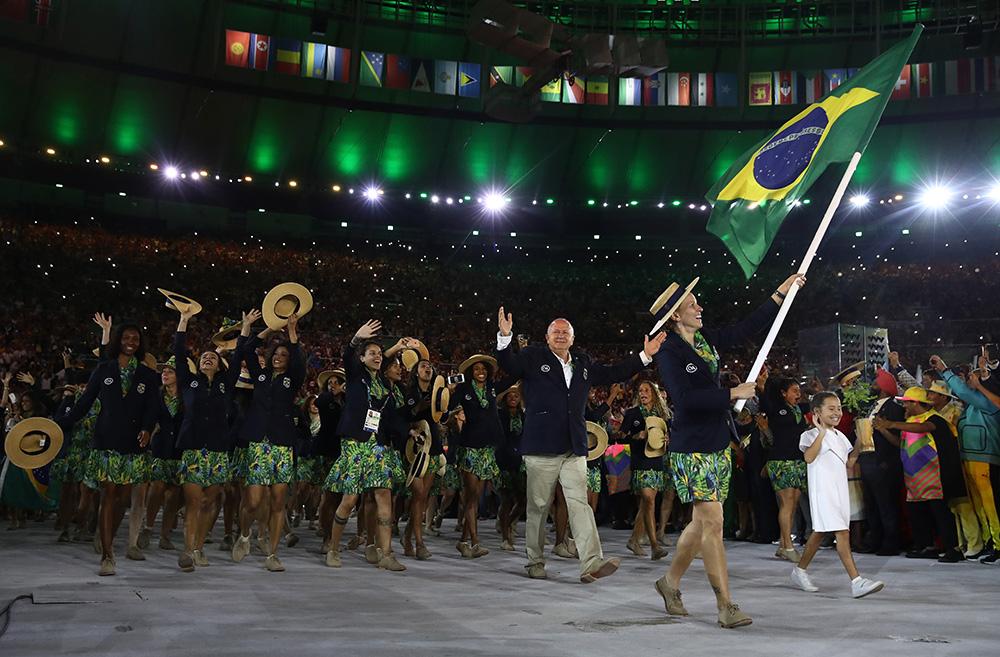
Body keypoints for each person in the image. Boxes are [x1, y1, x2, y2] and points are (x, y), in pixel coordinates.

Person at [652, 273, 804, 629]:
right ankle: (726, 604)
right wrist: (732, 394)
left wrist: (780, 292)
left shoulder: (705, 340)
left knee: (699, 524)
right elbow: (686, 400)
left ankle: (669, 582)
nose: (699, 307)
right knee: (714, 525)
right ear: (676, 315)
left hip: (718, 443)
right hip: (692, 449)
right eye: (693, 304)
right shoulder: (670, 353)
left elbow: (744, 328)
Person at [494, 307, 664, 583]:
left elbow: (613, 373)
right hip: (541, 446)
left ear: (572, 339)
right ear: (547, 338)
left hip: (574, 445)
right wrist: (504, 336)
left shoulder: (583, 363)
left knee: (580, 504)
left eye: (565, 332)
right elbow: (509, 365)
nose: (560, 335)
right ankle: (535, 559)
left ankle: (591, 562)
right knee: (538, 506)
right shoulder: (533, 357)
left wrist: (645, 356)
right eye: (556, 332)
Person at [60, 321, 160, 576]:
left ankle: (108, 541)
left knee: (123, 501)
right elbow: (84, 403)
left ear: (140, 344)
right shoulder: (103, 369)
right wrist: (60, 425)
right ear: (118, 341)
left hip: (133, 446)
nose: (130, 341)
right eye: (126, 337)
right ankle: (107, 555)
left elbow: (152, 408)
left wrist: (148, 428)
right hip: (105, 442)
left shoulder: (148, 375)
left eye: (135, 338)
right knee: (108, 496)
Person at [323, 320, 406, 572]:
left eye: (380, 355)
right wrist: (356, 339)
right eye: (372, 354)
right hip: (355, 445)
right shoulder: (355, 375)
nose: (378, 357)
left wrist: (409, 431)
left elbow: (390, 415)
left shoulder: (382, 384)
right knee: (349, 499)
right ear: (361, 358)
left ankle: (387, 554)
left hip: (379, 447)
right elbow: (349, 355)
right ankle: (333, 549)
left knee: (384, 497)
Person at [790, 392, 884, 598]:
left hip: (840, 491)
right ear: (817, 412)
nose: (837, 413)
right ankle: (857, 581)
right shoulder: (809, 435)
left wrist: (861, 438)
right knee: (842, 534)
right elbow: (808, 457)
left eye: (839, 408)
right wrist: (821, 432)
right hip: (823, 492)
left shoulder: (841, 437)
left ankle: (799, 570)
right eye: (831, 408)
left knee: (820, 532)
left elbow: (849, 462)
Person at [231, 312, 305, 572]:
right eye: (276, 354)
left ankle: (272, 554)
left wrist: (292, 331)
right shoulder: (259, 375)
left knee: (277, 502)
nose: (278, 358)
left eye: (284, 355)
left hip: (282, 445)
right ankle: (244, 535)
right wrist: (257, 328)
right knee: (252, 502)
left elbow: (299, 361)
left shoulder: (292, 379)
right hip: (258, 444)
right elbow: (246, 349)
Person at [173, 306, 242, 571]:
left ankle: (200, 547)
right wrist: (183, 320)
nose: (207, 359)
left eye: (212, 356)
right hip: (192, 448)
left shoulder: (227, 383)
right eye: (203, 357)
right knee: (193, 502)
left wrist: (244, 328)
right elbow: (179, 354)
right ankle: (188, 551)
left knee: (208, 502)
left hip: (217, 450)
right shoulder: (189, 381)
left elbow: (238, 359)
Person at [873, 386, 965, 563]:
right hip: (914, 478)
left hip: (934, 476)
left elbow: (924, 428)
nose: (904, 407)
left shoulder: (934, 419)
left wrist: (891, 424)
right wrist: (884, 429)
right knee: (918, 514)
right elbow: (901, 443)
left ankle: (953, 549)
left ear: (916, 402)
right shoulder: (910, 421)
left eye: (906, 403)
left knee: (940, 513)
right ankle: (926, 546)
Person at [931, 354, 1000, 562]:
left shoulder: (989, 404)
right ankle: (989, 541)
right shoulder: (971, 406)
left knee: (990, 505)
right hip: (971, 459)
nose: (968, 379)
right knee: (979, 505)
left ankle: (998, 545)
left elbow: (961, 390)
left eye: (972, 377)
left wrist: (944, 370)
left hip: (986, 460)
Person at [452, 354, 514, 559]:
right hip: (470, 447)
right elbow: (447, 406)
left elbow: (513, 377)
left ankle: (463, 541)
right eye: (477, 368)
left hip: (488, 448)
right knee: (471, 496)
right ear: (471, 371)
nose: (481, 371)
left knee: (475, 497)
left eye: (484, 368)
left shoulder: (492, 388)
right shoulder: (463, 389)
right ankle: (475, 543)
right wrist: (449, 392)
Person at [619, 380, 670, 561]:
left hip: (657, 460)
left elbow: (667, 434)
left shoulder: (662, 414)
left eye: (646, 390)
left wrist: (666, 439)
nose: (643, 393)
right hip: (640, 461)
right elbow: (620, 438)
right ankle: (655, 545)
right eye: (640, 390)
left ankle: (634, 540)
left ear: (653, 393)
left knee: (647, 503)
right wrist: (636, 436)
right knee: (648, 499)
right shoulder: (632, 413)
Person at [761, 377, 810, 562]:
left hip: (797, 460)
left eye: (799, 390)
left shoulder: (800, 409)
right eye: (794, 391)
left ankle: (783, 545)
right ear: (783, 393)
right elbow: (765, 402)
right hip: (780, 460)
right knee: (787, 503)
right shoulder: (776, 408)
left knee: (792, 504)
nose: (798, 394)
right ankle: (788, 547)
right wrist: (762, 385)